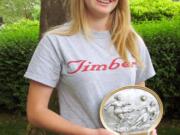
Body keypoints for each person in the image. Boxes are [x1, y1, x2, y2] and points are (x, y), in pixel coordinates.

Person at [24, 0, 157, 135]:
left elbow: (141, 100)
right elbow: (36, 112)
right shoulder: (55, 42)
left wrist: (147, 127)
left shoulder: (132, 40)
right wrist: (92, 133)